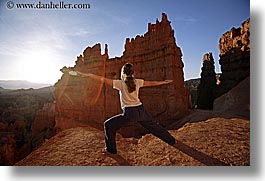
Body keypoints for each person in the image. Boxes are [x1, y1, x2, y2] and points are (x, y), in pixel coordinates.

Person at [76, 63, 175, 154]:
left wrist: (88, 75)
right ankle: (171, 140)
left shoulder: (121, 84)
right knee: (154, 126)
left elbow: (102, 79)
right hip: (141, 110)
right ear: (133, 73)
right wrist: (164, 82)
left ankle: (111, 150)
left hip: (130, 113)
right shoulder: (138, 82)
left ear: (123, 73)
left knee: (108, 125)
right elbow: (152, 83)